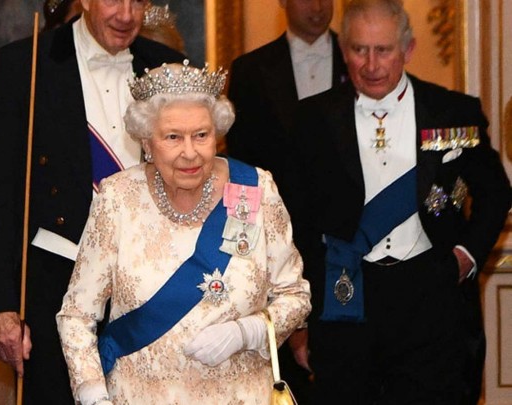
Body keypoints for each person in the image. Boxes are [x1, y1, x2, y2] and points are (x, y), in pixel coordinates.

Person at [291, 0, 511, 404]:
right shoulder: (312, 120)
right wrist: (301, 319)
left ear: (407, 50)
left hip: (431, 294)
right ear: (344, 51)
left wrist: (465, 256)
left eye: (383, 50)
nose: (371, 64)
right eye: (360, 50)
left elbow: (495, 192)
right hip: (347, 297)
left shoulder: (452, 112)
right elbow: (297, 221)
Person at [56, 60, 311, 405]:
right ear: (147, 142)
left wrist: (248, 332)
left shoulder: (255, 189)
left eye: (201, 135)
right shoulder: (117, 199)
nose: (189, 152)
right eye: (173, 137)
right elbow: (77, 315)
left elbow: (295, 295)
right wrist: (93, 395)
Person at [0, 0, 184, 403]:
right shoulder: (27, 64)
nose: (126, 15)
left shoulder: (166, 67)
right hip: (55, 284)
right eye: (113, 0)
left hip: (149, 288)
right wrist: (1, 307)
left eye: (137, 1)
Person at [225, 0, 348, 401]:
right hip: (275, 247)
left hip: (346, 249)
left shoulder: (358, 60)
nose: (318, 6)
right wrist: (239, 244)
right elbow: (240, 168)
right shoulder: (250, 70)